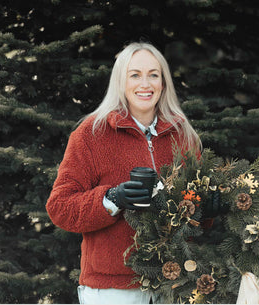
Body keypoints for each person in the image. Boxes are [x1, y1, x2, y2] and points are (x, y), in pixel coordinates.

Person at [46, 42, 202, 304]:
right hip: (112, 290)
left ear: (163, 83)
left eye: (154, 74)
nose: (146, 84)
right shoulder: (91, 134)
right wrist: (111, 199)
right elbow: (59, 207)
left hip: (174, 284)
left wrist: (209, 207)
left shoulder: (184, 135)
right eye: (135, 75)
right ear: (121, 82)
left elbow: (194, 214)